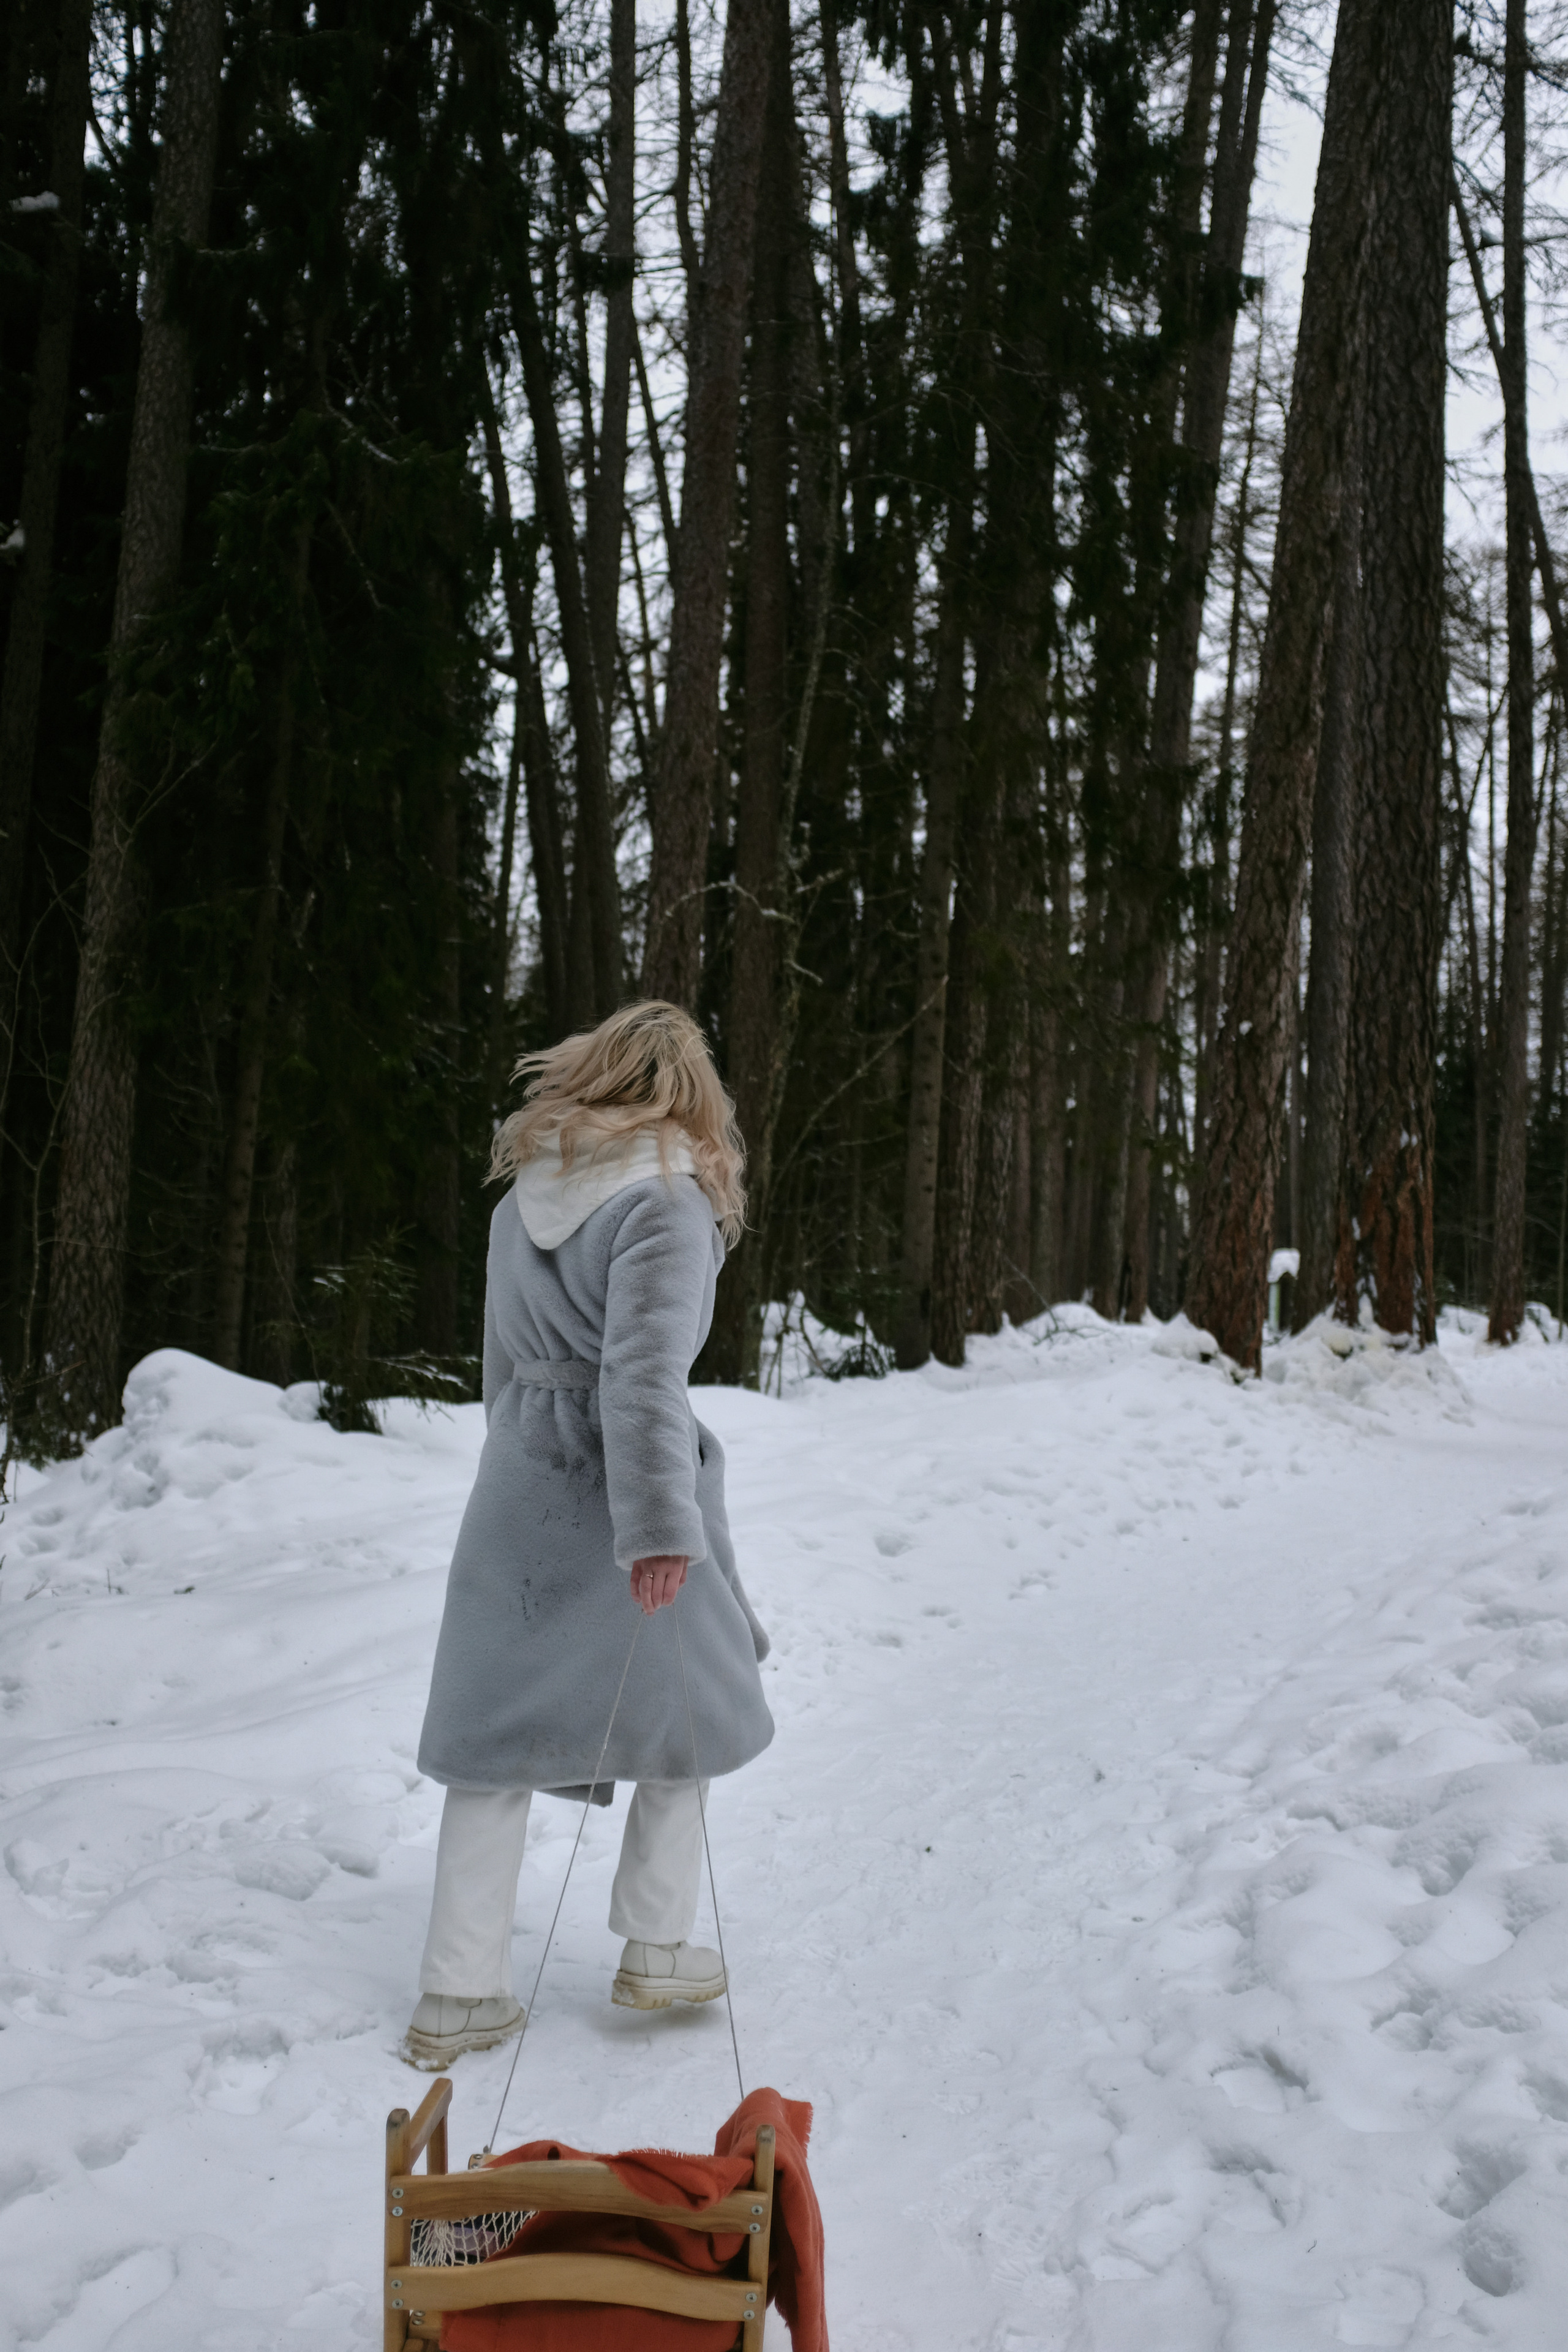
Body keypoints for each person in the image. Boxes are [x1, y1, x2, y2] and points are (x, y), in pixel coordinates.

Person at [403, 1001, 774, 2070]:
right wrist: (658, 1528)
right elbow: (643, 1375)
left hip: (523, 1474)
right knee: (695, 1705)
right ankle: (656, 1947)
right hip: (627, 1488)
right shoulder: (670, 1203)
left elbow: (502, 1370)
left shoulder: (523, 1200)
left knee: (492, 1734)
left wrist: (508, 1466)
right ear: (689, 1097)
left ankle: (457, 1993)